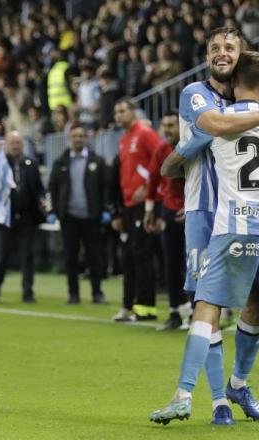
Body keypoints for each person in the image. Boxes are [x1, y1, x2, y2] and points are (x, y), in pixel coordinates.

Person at [150, 51, 259, 426]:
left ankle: (184, 395)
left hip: (231, 228)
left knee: (206, 308)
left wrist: (175, 160)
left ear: (233, 83)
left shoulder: (219, 121)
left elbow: (183, 154)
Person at [110, 99, 160, 322]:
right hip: (129, 205)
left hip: (144, 203)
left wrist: (147, 187)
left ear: (133, 112)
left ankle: (145, 307)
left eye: (122, 110)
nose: (118, 115)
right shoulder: (124, 140)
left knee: (141, 254)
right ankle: (128, 305)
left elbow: (161, 161)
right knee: (128, 255)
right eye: (116, 112)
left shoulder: (145, 133)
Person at [48, 123, 108, 305]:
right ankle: (73, 293)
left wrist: (105, 209)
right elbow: (52, 189)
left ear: (86, 138)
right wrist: (53, 211)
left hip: (91, 217)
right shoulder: (60, 163)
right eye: (75, 136)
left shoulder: (97, 161)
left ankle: (97, 292)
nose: (78, 139)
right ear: (69, 139)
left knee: (94, 257)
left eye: (81, 136)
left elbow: (104, 188)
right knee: (70, 258)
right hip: (69, 218)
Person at [143, 112, 190, 329]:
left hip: (194, 211)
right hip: (170, 211)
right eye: (164, 125)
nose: (168, 129)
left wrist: (191, 205)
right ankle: (174, 311)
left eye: (172, 125)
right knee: (171, 263)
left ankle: (194, 311)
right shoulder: (161, 150)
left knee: (193, 264)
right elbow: (152, 179)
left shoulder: (193, 147)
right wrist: (150, 209)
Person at [0, 131, 45, 303]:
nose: (16, 146)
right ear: (7, 144)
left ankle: (27, 291)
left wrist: (42, 200)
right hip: (5, 217)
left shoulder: (31, 163)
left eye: (18, 143)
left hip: (27, 216)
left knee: (27, 255)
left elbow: (39, 188)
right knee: (2, 256)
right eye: (13, 143)